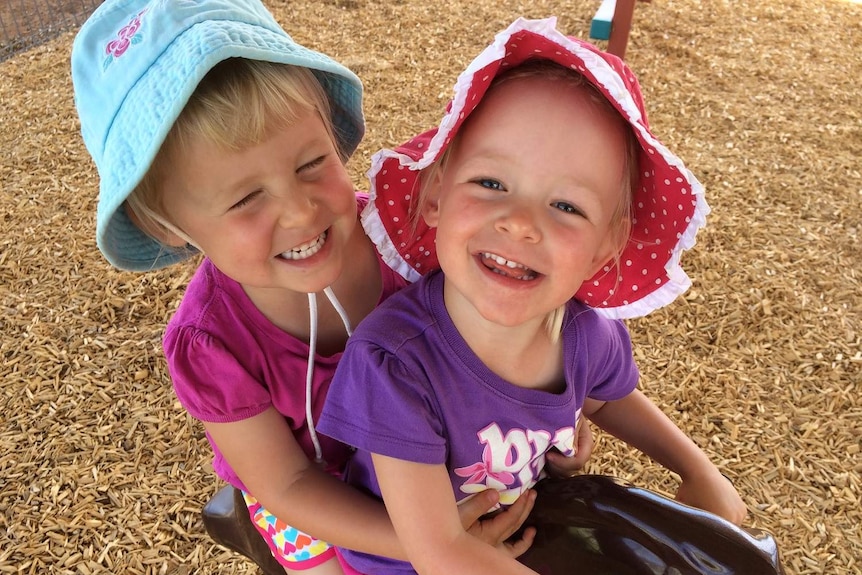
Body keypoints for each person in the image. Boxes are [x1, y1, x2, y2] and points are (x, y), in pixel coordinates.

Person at [70, 2, 590, 574]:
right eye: (245, 199)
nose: (300, 211)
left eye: (312, 163)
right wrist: (428, 541)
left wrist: (549, 422)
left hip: (431, 451)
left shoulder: (408, 237)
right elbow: (288, 483)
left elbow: (498, 334)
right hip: (316, 499)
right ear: (168, 226)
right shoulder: (211, 344)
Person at [318, 17, 748, 575]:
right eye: (491, 183)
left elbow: (609, 398)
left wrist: (697, 469)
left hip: (517, 531)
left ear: (604, 247)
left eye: (567, 206)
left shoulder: (586, 333)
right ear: (436, 197)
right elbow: (438, 550)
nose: (520, 225)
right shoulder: (394, 363)